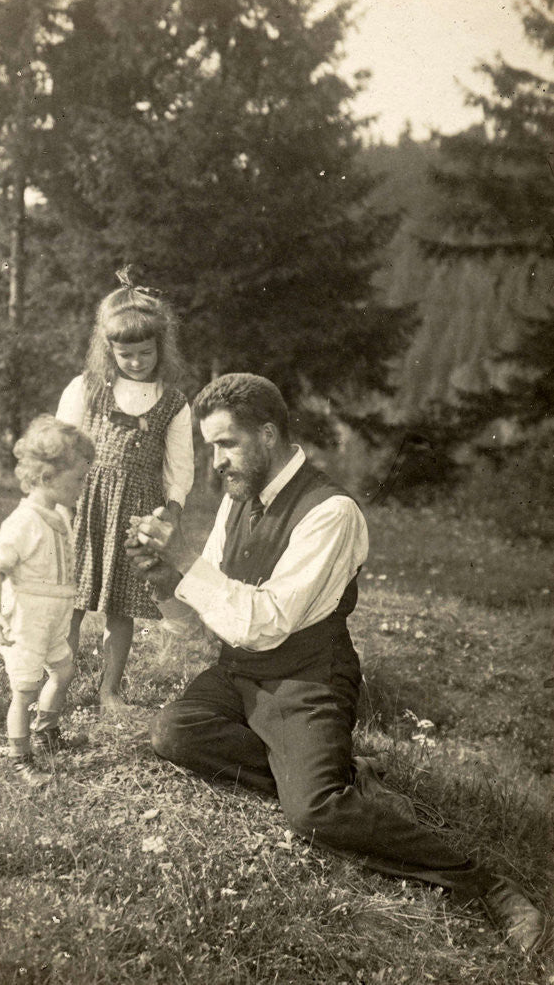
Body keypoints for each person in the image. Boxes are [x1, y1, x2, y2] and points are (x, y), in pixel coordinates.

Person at [128, 372, 549, 956]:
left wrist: (185, 561)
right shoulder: (237, 498)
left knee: (314, 812)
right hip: (238, 669)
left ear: (268, 434)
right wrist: (165, 580)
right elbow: (215, 611)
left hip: (305, 676)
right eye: (210, 446)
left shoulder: (332, 511)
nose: (216, 461)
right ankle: (335, 771)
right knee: (174, 732)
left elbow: (265, 621)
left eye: (226, 444)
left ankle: (485, 885)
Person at [56, 267, 194, 710]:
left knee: (122, 607)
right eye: (125, 354)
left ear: (160, 347)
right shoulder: (87, 388)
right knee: (72, 602)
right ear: (108, 349)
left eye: (145, 353)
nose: (135, 362)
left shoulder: (173, 401)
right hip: (88, 507)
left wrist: (171, 512)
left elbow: (179, 467)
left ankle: (109, 690)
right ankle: (57, 684)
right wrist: (62, 504)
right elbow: (64, 446)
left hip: (137, 513)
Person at [0, 415, 95, 784]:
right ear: (47, 478)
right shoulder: (24, 521)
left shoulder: (58, 515)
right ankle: (21, 758)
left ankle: (45, 733)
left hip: (55, 617)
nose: (83, 487)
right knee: (24, 689)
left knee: (63, 671)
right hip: (28, 619)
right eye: (78, 480)